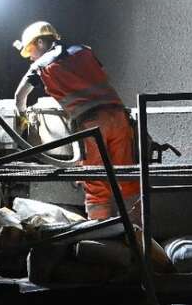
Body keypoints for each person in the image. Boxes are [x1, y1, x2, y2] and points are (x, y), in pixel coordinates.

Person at [11, 20, 140, 221]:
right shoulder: (83, 50)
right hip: (119, 116)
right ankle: (137, 234)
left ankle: (100, 237)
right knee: (127, 177)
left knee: (95, 181)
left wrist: (22, 118)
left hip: (92, 125)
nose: (31, 57)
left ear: (41, 43)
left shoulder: (41, 65)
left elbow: (20, 97)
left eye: (31, 51)